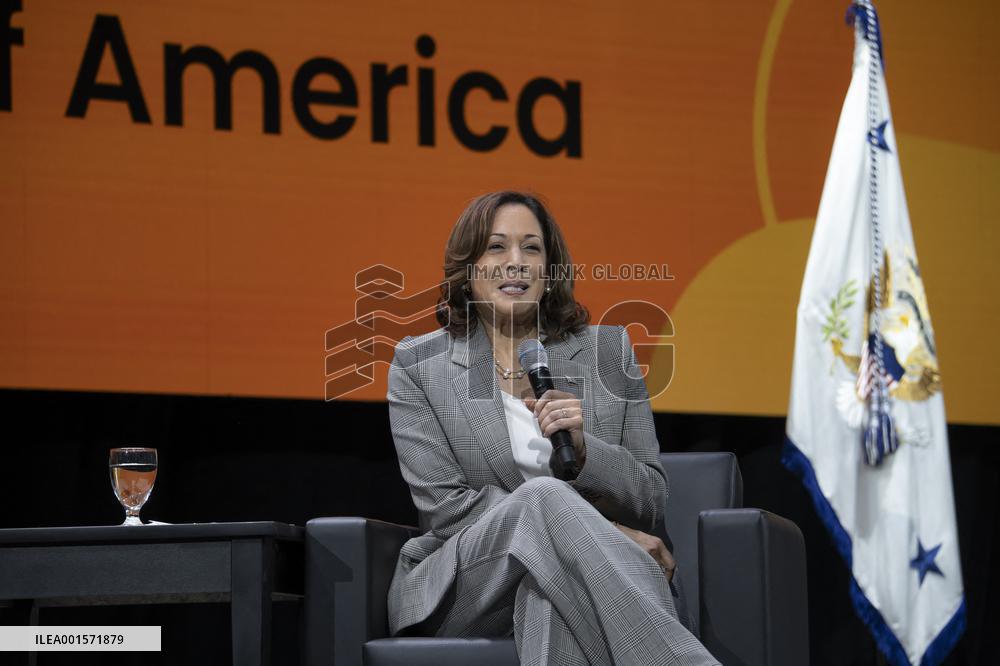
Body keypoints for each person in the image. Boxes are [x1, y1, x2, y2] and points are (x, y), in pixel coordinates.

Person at [386, 191, 719, 665]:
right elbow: (447, 509)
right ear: (468, 268)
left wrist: (585, 452)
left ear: (550, 270)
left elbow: (650, 497)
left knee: (550, 596)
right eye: (496, 246)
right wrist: (604, 533)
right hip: (471, 584)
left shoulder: (608, 352)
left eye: (532, 248)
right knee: (544, 496)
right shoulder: (419, 364)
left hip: (582, 581)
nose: (516, 261)